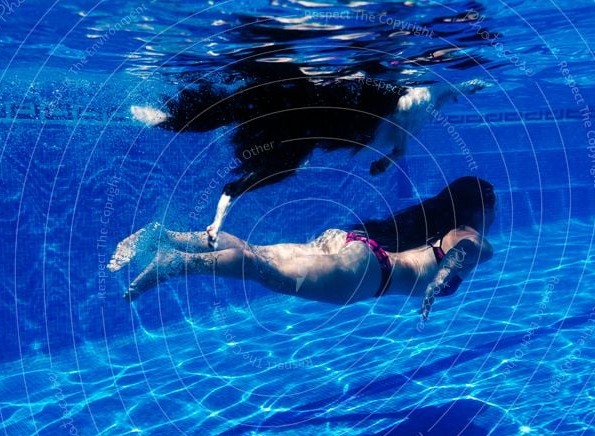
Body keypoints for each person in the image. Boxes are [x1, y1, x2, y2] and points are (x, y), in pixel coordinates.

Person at [130, 60, 488, 248]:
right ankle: (173, 119)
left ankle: (173, 119)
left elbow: (413, 116)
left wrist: (389, 157)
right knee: (254, 113)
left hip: (329, 120)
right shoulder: (413, 106)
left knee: (254, 116)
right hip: (334, 116)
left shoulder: (409, 113)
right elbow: (422, 105)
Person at [109, 177, 495, 321]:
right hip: (366, 276)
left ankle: (168, 237)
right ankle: (174, 265)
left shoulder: (435, 226)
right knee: (261, 270)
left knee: (255, 252)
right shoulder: (472, 238)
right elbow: (465, 251)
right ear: (480, 209)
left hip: (354, 246)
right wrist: (435, 286)